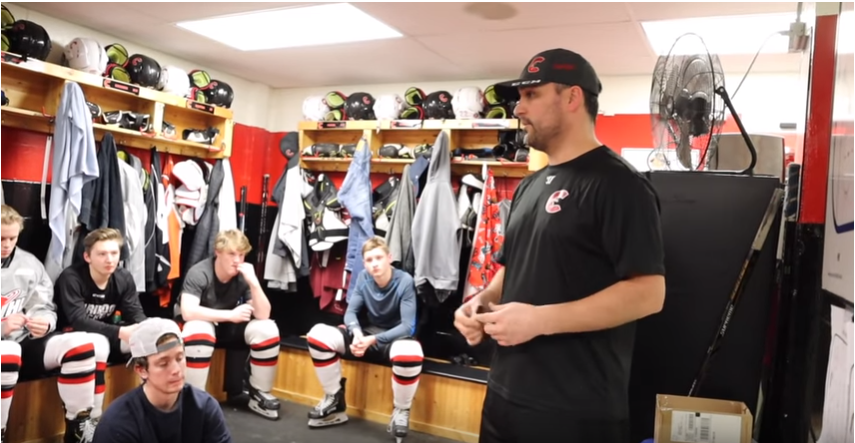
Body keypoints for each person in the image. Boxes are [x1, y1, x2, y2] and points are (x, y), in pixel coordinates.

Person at [453, 48, 666, 443]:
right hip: (504, 396)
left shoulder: (620, 186)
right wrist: (479, 302)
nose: (518, 109)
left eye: (531, 95)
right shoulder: (530, 186)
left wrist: (538, 320)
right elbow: (515, 265)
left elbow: (649, 294)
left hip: (575, 413)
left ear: (572, 98)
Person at [1, 205, 105, 443]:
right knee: (7, 351)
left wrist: (45, 323)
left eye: (12, 238)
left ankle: (79, 432)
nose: (7, 244)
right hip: (5, 350)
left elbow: (45, 306)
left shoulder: (29, 263)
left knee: (79, 344)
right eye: (1, 238)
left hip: (24, 343)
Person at [305, 236, 423, 442]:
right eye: (369, 260)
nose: (374, 264)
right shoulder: (363, 278)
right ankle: (333, 398)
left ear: (389, 258)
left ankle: (401, 411)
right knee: (317, 334)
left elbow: (407, 326)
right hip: (367, 335)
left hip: (396, 339)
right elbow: (350, 314)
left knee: (411, 353)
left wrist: (372, 340)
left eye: (379, 258)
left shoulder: (404, 281)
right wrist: (358, 334)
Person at [178, 229, 281, 420]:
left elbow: (263, 313)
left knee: (267, 328)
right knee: (199, 328)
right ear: (218, 252)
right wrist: (229, 315)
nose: (237, 260)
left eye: (241, 255)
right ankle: (193, 400)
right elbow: (188, 311)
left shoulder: (242, 274)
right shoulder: (200, 272)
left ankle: (260, 394)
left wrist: (254, 283)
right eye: (232, 254)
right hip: (199, 325)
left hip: (226, 326)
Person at [55, 227, 148, 429]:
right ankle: (93, 422)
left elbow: (135, 313)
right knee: (98, 344)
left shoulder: (123, 277)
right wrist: (120, 332)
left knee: (149, 339)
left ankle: (150, 411)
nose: (109, 259)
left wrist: (147, 330)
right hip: (69, 340)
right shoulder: (71, 277)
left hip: (107, 335)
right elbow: (78, 320)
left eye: (114, 253)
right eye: (102, 254)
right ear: (87, 256)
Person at [91, 317, 233, 443]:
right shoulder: (118, 423)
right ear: (141, 370)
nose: (176, 370)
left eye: (180, 358)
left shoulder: (205, 407)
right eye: (163, 363)